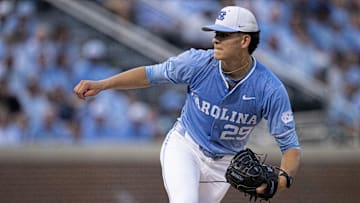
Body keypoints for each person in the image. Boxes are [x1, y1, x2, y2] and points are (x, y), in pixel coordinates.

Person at [74, 6, 301, 203]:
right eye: (216, 33)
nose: (215, 39)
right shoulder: (198, 62)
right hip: (186, 146)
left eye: (223, 35)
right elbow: (150, 75)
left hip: (224, 163)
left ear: (244, 40)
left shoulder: (269, 88)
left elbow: (289, 145)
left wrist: (281, 182)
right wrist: (102, 84)